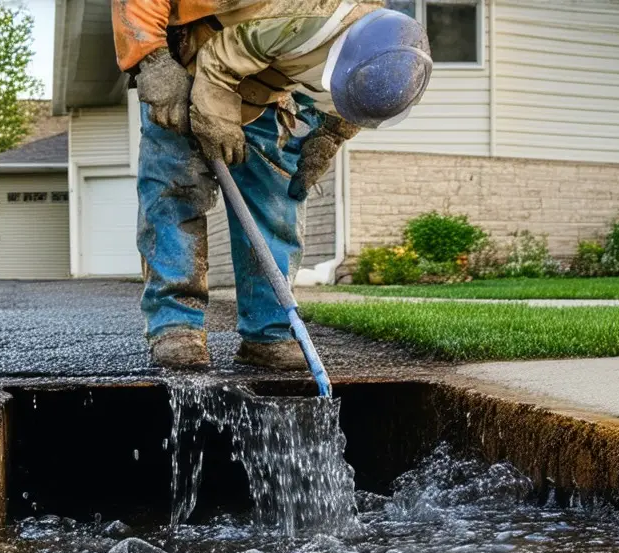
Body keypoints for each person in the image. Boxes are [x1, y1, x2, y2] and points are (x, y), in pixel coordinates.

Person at [112, 0, 433, 369]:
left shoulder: (377, 35)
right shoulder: (301, 21)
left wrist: (332, 133)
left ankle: (270, 331)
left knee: (275, 201)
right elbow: (219, 58)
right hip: (185, 60)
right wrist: (153, 60)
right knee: (175, 192)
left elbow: (356, 86)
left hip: (266, 83)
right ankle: (176, 326)